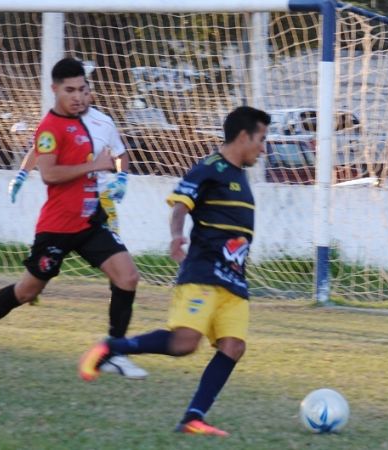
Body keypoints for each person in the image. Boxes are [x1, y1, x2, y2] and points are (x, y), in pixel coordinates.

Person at [78, 106, 271, 437]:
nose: (263, 148)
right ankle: (113, 347)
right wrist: (176, 235)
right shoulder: (209, 168)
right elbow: (181, 204)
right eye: (261, 139)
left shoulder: (240, 175)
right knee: (184, 343)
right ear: (243, 136)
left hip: (235, 282)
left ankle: (193, 417)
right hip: (204, 275)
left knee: (234, 347)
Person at [0, 58, 147, 379]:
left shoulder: (93, 121)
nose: (78, 97)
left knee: (127, 277)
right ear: (55, 90)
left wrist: (117, 176)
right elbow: (50, 174)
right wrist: (93, 167)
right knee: (28, 291)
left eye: (83, 90)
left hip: (90, 222)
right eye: (70, 90)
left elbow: (113, 153)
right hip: (57, 228)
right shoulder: (50, 128)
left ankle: (113, 351)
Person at [9, 85, 130, 233]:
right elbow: (38, 150)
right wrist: (22, 175)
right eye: (75, 92)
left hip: (99, 197)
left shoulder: (104, 122)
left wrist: (122, 179)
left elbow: (121, 153)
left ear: (91, 96)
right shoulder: (56, 122)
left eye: (84, 93)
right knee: (48, 249)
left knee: (114, 251)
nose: (79, 97)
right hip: (66, 197)